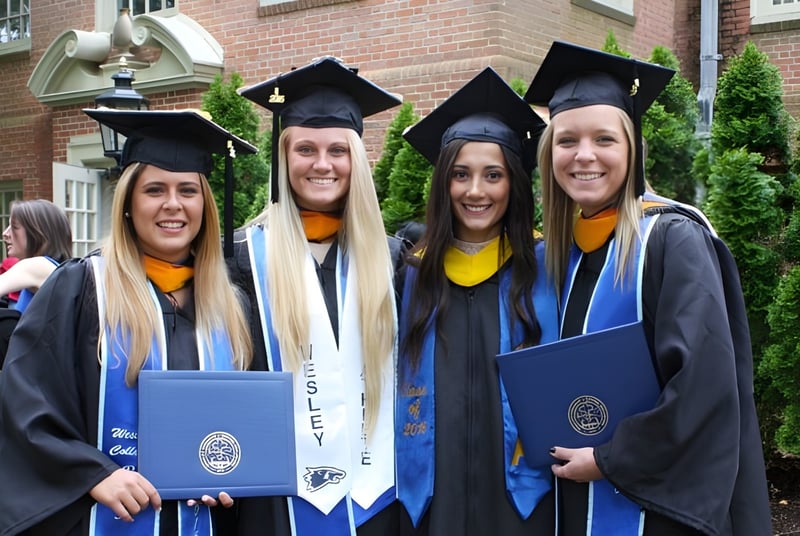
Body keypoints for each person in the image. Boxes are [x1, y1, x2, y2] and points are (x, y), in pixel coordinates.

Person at [526, 40, 772, 535]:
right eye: (567, 140)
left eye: (604, 139)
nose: (584, 156)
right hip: (564, 495)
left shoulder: (672, 239)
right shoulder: (547, 256)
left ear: (633, 148)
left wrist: (609, 457)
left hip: (651, 508)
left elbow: (705, 385)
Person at [0, 108, 258, 535]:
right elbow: (23, 401)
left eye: (188, 190)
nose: (172, 204)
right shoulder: (83, 289)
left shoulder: (231, 306)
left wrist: (229, 471)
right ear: (128, 204)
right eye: (154, 189)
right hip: (100, 518)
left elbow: (241, 420)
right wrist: (93, 473)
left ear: (205, 206)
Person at [228, 57, 402, 535]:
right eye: (305, 148)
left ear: (357, 161)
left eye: (337, 150)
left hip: (377, 498)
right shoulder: (240, 260)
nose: (322, 164)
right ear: (283, 159)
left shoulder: (394, 262)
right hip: (275, 503)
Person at [395, 67, 559, 535]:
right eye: (461, 175)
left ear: (514, 184)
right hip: (430, 498)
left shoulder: (547, 272)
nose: (475, 191)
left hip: (522, 502)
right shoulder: (411, 277)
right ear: (443, 182)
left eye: (494, 175)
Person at [0, 198, 73, 312]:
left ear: (38, 233)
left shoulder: (38, 266)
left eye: (14, 227)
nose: (5, 234)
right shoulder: (54, 269)